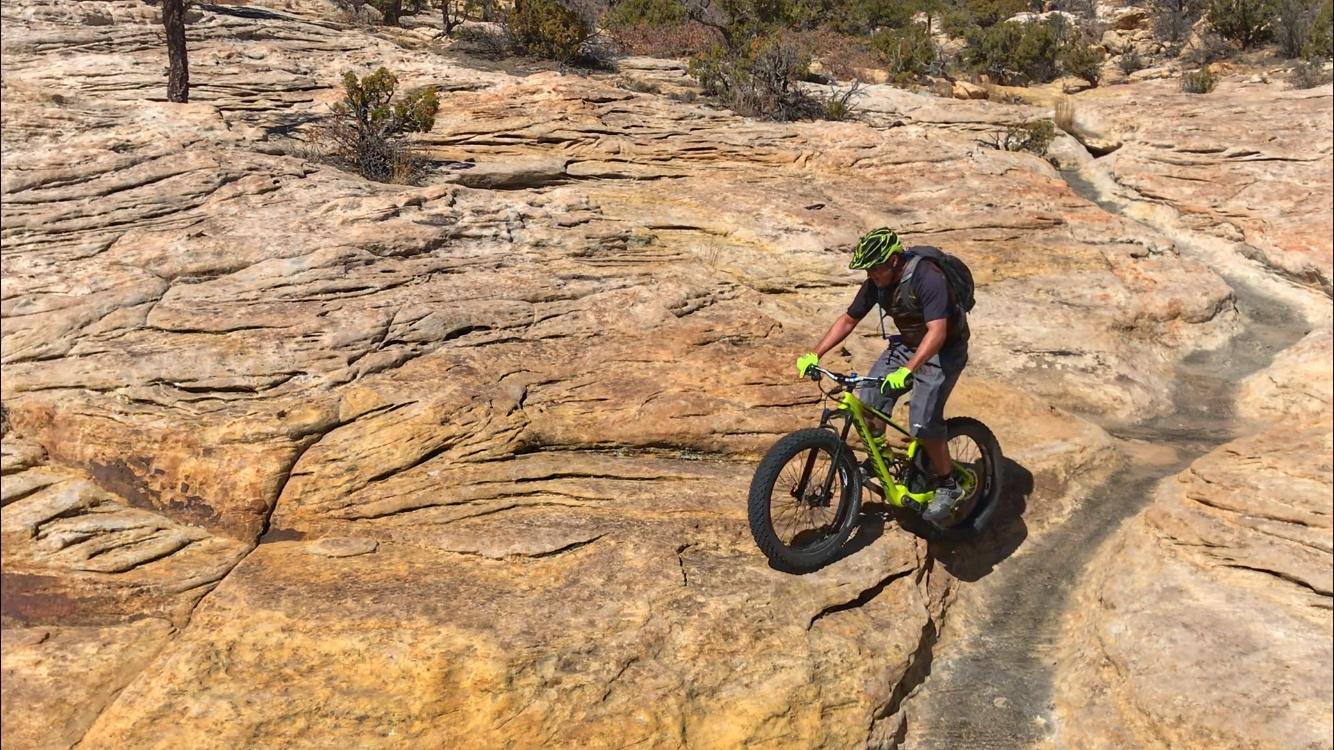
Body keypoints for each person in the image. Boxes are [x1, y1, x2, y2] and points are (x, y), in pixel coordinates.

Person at [794, 228, 970, 528]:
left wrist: (907, 370)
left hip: (942, 351)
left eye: (875, 267)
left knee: (923, 422)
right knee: (869, 402)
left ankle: (948, 483)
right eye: (867, 269)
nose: (871, 274)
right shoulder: (877, 283)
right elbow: (849, 319)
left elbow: (937, 332)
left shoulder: (928, 277)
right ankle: (882, 461)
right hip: (907, 346)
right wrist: (815, 354)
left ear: (893, 260)